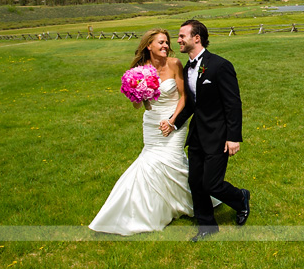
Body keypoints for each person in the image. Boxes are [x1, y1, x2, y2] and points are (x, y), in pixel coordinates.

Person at [89, 29, 220, 236]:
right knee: (149, 163)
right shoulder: (138, 70)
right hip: (151, 123)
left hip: (175, 120)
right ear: (148, 45)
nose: (166, 46)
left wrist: (173, 120)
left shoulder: (175, 64)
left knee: (173, 161)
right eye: (161, 42)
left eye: (167, 42)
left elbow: (184, 96)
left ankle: (192, 202)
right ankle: (150, 209)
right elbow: (136, 105)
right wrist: (138, 92)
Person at [163, 20, 249, 241]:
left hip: (219, 136)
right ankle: (207, 227)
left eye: (182, 36)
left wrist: (233, 137)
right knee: (195, 183)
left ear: (196, 38)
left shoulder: (220, 66)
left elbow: (233, 104)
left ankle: (240, 198)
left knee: (212, 184)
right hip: (197, 136)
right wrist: (174, 122)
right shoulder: (187, 68)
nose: (178, 40)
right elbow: (192, 104)